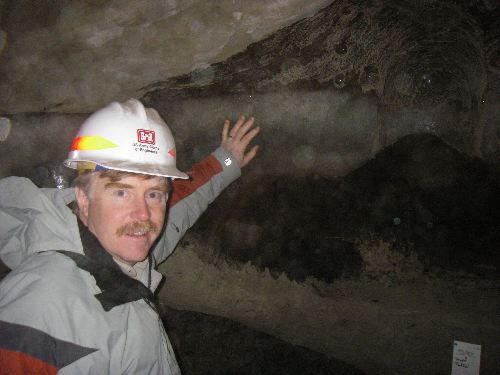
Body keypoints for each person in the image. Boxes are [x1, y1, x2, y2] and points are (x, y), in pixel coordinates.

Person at [0, 99, 260, 374]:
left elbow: (181, 204)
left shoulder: (122, 256)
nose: (143, 215)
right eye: (121, 192)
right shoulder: (38, 307)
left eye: (153, 194)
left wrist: (227, 159)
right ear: (83, 199)